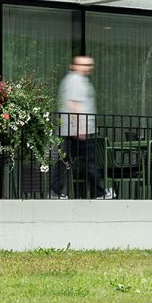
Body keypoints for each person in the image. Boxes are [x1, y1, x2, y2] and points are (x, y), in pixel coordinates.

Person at [50, 55, 114, 200]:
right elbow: (74, 105)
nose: (87, 68)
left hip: (72, 130)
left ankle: (55, 191)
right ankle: (98, 193)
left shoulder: (76, 80)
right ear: (74, 66)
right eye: (83, 65)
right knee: (89, 162)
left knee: (65, 161)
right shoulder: (75, 80)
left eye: (89, 65)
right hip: (77, 130)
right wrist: (80, 128)